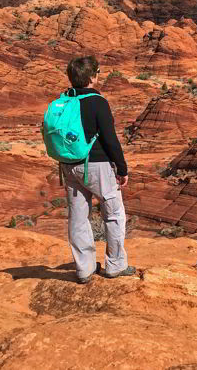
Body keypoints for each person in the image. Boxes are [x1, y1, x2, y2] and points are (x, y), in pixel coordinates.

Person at [60, 55, 135, 283]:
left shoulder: (64, 101)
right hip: (96, 166)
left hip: (69, 165)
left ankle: (84, 269)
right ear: (93, 76)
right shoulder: (97, 102)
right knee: (113, 214)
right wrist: (121, 168)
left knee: (78, 217)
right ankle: (115, 265)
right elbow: (110, 139)